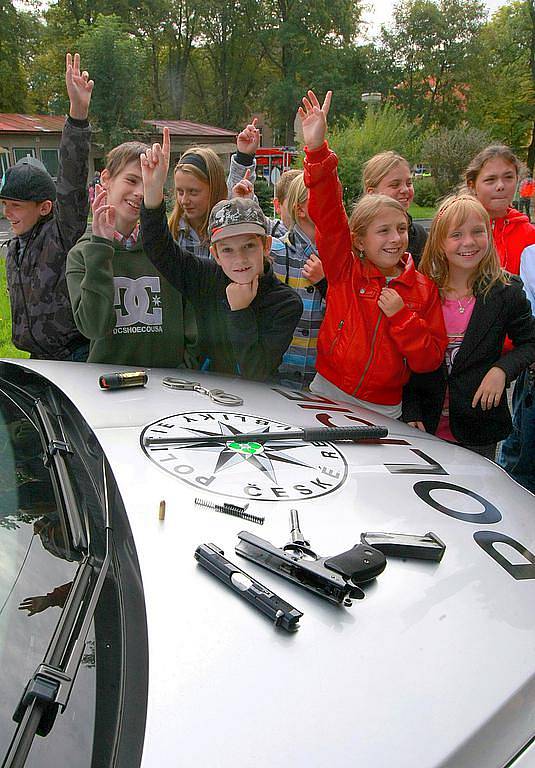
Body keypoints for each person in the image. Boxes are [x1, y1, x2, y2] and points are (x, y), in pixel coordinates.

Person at [298, 89, 447, 418]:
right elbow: (329, 215)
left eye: (402, 229)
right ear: (360, 240)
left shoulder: (422, 289)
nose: (396, 239)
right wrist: (318, 151)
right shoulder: (344, 271)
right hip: (328, 391)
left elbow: (430, 359)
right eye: (383, 231)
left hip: (384, 407)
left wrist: (401, 317)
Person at [139, 128, 303, 381]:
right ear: (214, 253)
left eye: (249, 246)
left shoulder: (285, 303)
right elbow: (159, 248)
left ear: (266, 246)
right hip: (205, 396)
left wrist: (239, 311)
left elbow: (256, 371)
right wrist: (153, 193)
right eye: (227, 249)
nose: (239, 259)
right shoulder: (205, 277)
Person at [402, 195, 535, 459]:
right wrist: (411, 408)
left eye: (478, 232)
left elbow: (530, 341)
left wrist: (502, 370)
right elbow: (406, 357)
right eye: (457, 235)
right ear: (440, 243)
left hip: (478, 426)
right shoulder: (423, 290)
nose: (469, 242)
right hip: (424, 425)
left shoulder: (506, 291)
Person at [66, 141, 197, 367]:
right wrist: (100, 247)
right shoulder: (82, 254)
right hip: (109, 386)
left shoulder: (165, 251)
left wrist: (188, 367)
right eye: (131, 180)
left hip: (169, 386)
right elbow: (93, 327)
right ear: (106, 179)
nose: (139, 193)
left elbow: (192, 322)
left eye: (146, 183)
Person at [0, 53, 92, 361]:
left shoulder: (60, 235)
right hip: (37, 359)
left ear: (44, 207)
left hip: (73, 357)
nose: (7, 213)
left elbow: (72, 183)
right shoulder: (13, 248)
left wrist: (77, 117)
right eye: (4, 205)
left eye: (15, 205)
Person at [465, 145, 535, 489]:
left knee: (513, 434)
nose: (500, 186)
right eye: (490, 179)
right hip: (469, 349)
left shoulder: (528, 234)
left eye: (508, 178)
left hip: (514, 354)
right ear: (473, 184)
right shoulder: (462, 227)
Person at [168, 119, 260, 258]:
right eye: (180, 192)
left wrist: (244, 156)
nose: (184, 200)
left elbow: (236, 192)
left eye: (193, 192)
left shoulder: (226, 225)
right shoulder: (172, 233)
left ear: (214, 188)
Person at [272, 172, 326, 389]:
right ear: (300, 209)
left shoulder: (340, 257)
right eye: (322, 197)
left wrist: (326, 283)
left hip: (321, 379)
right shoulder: (276, 252)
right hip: (277, 376)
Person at [363, 151, 427, 266]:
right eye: (395, 185)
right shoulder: (360, 235)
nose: (405, 190)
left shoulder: (419, 235)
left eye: (409, 183)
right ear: (372, 193)